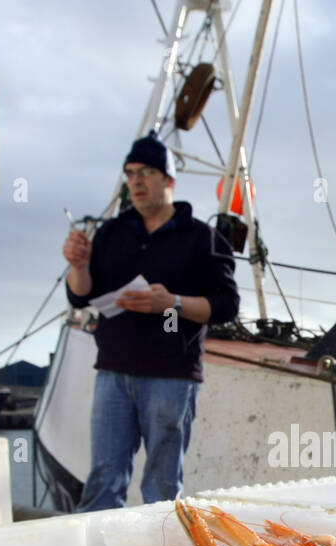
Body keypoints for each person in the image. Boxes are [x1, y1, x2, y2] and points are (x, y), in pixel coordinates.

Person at [62, 131, 239, 510]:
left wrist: (171, 302)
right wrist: (78, 265)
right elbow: (81, 294)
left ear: (169, 180)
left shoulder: (203, 239)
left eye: (146, 172)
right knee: (103, 480)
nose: (136, 182)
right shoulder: (111, 233)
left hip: (171, 377)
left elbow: (226, 306)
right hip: (113, 373)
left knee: (161, 487)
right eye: (130, 174)